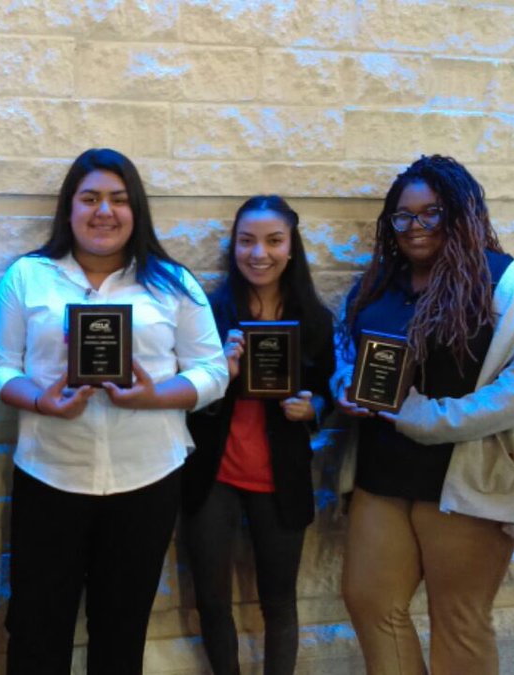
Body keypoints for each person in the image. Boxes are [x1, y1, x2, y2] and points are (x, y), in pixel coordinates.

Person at [0, 148, 229, 674]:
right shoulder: (28, 277)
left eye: (118, 199)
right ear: (69, 208)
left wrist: (155, 396)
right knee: (35, 630)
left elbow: (213, 371)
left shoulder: (173, 283)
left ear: (135, 209)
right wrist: (41, 400)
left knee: (121, 632)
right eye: (89, 198)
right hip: (50, 475)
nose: (104, 211)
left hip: (147, 478)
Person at [332, 155, 514, 675]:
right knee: (371, 602)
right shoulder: (379, 283)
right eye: (403, 216)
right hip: (382, 475)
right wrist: (344, 383)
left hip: (466, 483)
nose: (414, 226)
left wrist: (431, 417)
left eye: (430, 213)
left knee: (459, 621)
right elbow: (346, 347)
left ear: (462, 213)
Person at [182, 195, 335, 675]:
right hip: (213, 475)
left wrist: (313, 408)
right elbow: (183, 394)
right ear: (234, 246)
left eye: (273, 241)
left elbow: (329, 391)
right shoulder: (209, 312)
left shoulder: (315, 319)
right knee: (212, 600)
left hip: (281, 476)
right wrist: (218, 373)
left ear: (291, 247)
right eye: (246, 241)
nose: (259, 253)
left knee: (279, 602)